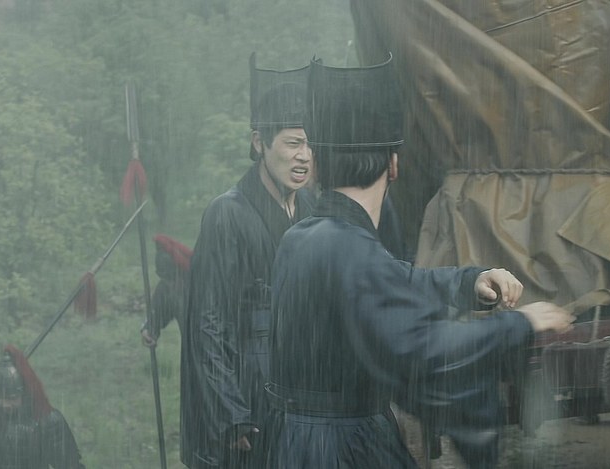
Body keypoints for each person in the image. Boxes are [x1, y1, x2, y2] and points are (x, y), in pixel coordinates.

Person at [265, 55, 575, 468]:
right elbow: (423, 351)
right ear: (394, 166)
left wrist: (470, 282)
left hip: (302, 441)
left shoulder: (306, 237)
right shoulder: (349, 247)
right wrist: (520, 324)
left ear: (318, 165)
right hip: (341, 448)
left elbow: (396, 280)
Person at [179, 53, 315, 469]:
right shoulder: (228, 214)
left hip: (297, 394)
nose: (305, 156)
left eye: (311, 144)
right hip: (247, 398)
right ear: (259, 143)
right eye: (293, 143)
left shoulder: (311, 208)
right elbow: (207, 322)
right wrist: (231, 413)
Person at [0, 345, 85, 468]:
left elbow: (70, 465)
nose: (5, 404)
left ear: (24, 393)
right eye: (1, 397)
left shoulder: (48, 421)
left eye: (12, 398)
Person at [140, 233, 193, 347]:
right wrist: (148, 330)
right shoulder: (166, 289)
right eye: (164, 278)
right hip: (192, 352)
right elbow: (156, 312)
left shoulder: (204, 286)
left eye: (171, 280)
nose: (169, 284)